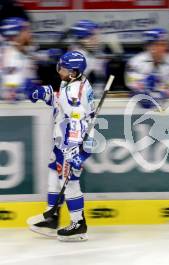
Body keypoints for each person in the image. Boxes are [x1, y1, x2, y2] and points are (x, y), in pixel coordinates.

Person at [26, 51, 95, 242]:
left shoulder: (75, 91)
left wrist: (73, 149)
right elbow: (61, 100)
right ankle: (52, 216)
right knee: (53, 170)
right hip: (64, 139)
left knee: (70, 181)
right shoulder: (71, 82)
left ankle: (78, 224)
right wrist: (46, 93)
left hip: (72, 141)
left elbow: (77, 119)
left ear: (73, 72)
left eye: (63, 68)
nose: (59, 70)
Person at [125, 28, 169, 108]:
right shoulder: (136, 62)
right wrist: (143, 89)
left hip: (164, 110)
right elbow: (132, 84)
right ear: (150, 46)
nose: (164, 48)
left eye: (165, 44)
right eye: (160, 44)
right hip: (137, 112)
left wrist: (165, 93)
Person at [0, 17, 35, 101]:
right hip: (11, 106)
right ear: (15, 33)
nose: (29, 33)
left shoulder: (19, 50)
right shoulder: (10, 52)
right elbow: (10, 90)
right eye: (25, 30)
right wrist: (14, 91)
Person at [69, 20, 108, 95]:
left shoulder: (92, 54)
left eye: (98, 35)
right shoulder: (76, 57)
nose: (98, 39)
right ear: (82, 39)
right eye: (94, 35)